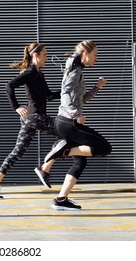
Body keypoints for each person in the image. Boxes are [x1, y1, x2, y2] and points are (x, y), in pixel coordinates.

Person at [0, 42, 61, 199]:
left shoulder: (39, 74)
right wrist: (16, 107)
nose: (46, 58)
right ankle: (44, 169)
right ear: (36, 55)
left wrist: (68, 93)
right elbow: (9, 86)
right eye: (45, 55)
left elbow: (48, 95)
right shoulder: (30, 72)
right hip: (36, 117)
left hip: (30, 119)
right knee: (66, 133)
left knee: (18, 151)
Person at [43, 40, 112, 210]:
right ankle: (61, 151)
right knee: (104, 147)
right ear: (85, 54)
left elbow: (81, 99)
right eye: (95, 54)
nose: (96, 58)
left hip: (64, 121)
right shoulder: (75, 70)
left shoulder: (76, 69)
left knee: (80, 163)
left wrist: (97, 87)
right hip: (68, 121)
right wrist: (76, 114)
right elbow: (65, 91)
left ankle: (61, 200)